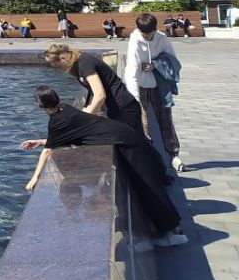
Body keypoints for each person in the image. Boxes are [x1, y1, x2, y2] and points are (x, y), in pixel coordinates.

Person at [20, 85, 187, 246]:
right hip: (124, 136)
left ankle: (175, 233)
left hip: (125, 142)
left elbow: (48, 151)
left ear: (41, 105)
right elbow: (64, 135)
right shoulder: (64, 109)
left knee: (148, 186)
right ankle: (169, 230)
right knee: (145, 185)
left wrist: (34, 179)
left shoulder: (57, 121)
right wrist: (40, 142)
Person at [126, 13, 184, 173]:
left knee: (166, 119)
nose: (146, 36)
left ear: (154, 29)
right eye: (143, 33)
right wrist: (135, 98)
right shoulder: (135, 41)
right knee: (143, 120)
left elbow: (173, 60)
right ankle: (151, 158)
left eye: (149, 33)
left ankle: (174, 155)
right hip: (142, 84)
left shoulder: (162, 38)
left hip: (159, 85)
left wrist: (155, 64)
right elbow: (131, 69)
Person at [42, 43, 142, 134]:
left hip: (124, 109)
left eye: (59, 66)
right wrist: (84, 112)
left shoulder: (85, 63)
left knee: (133, 142)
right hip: (114, 108)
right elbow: (93, 93)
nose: (60, 70)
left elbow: (100, 95)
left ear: (63, 58)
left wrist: (84, 120)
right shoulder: (78, 66)